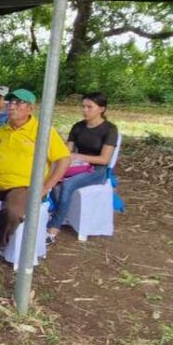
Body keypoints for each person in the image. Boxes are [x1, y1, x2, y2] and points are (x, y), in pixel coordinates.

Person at [0, 88, 70, 253]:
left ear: (30, 109)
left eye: (19, 103)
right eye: (10, 102)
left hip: (23, 186)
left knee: (12, 212)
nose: (12, 106)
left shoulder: (42, 131)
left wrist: (46, 187)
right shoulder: (1, 131)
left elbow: (64, 159)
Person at [46, 92, 118, 242]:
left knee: (67, 184)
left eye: (89, 107)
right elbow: (67, 151)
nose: (84, 110)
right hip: (77, 166)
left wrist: (79, 157)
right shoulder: (78, 127)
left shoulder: (110, 129)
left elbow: (105, 159)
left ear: (101, 109)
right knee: (49, 175)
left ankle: (54, 227)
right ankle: (53, 210)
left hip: (97, 170)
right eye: (83, 106)